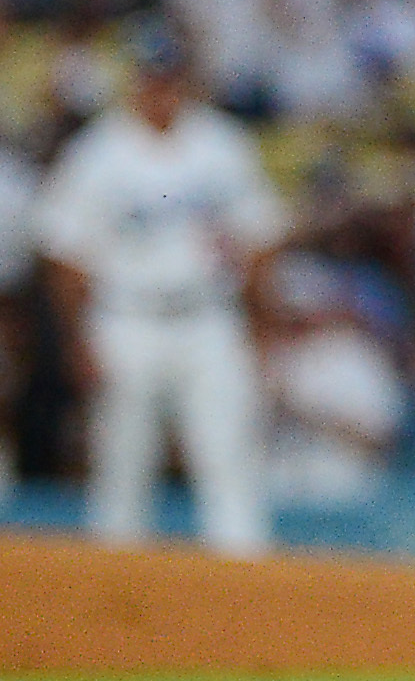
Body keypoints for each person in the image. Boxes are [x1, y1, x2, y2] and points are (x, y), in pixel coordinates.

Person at [32, 28, 285, 557]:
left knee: (228, 461)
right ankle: (115, 606)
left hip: (208, 318)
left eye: (169, 76)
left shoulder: (221, 144)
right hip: (125, 320)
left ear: (184, 80)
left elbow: (261, 240)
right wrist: (78, 342)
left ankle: (244, 599)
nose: (159, 87)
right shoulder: (98, 153)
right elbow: (63, 257)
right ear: (134, 80)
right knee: (121, 469)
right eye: (150, 76)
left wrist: (261, 328)